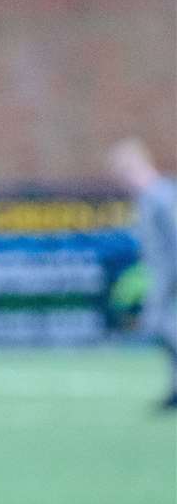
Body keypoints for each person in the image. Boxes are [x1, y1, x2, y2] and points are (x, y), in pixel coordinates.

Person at [107, 138, 177, 410]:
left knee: (162, 325)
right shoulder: (151, 198)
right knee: (160, 326)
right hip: (163, 274)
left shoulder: (161, 195)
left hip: (170, 274)